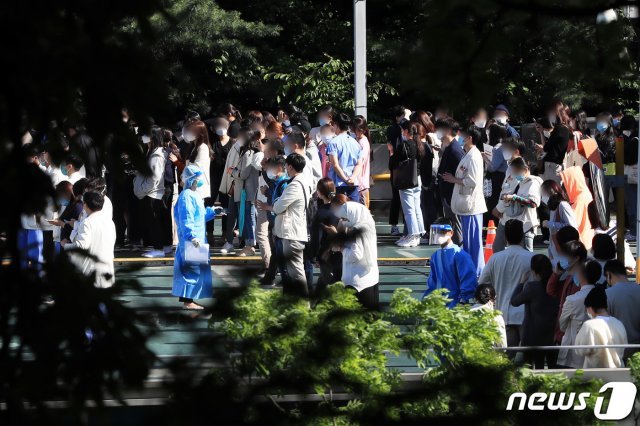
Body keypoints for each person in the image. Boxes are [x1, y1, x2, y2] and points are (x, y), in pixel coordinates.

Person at [172, 165, 223, 310]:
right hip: (192, 240)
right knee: (191, 270)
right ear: (191, 179)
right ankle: (188, 302)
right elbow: (186, 218)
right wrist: (191, 236)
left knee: (196, 270)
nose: (199, 180)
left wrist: (212, 212)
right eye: (197, 177)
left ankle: (190, 300)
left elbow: (199, 216)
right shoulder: (186, 196)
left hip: (198, 239)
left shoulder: (194, 195)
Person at [478, 219, 534, 351]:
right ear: (522, 236)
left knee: (505, 360)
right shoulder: (531, 258)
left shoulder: (495, 258)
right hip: (525, 316)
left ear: (505, 237)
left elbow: (482, 283)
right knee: (527, 361)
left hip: (502, 315)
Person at [261, 153, 310, 297]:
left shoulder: (294, 185)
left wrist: (273, 204)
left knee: (296, 272)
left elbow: (278, 206)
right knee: (293, 271)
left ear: (290, 166)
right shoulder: (303, 181)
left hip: (292, 233)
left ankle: (303, 307)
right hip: (293, 232)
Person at [442, 126, 487, 274]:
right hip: (466, 206)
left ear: (470, 138)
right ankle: (471, 270)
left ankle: (477, 272)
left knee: (474, 243)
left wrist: (453, 179)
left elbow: (473, 181)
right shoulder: (469, 154)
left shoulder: (474, 156)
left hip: (472, 206)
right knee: (469, 243)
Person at [324, 194, 379, 310]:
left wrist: (341, 249)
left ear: (353, 215)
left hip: (357, 281)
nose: (343, 222)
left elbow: (356, 254)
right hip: (371, 276)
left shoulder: (356, 230)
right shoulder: (367, 223)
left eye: (345, 219)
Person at [510, 254, 560, 369]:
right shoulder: (557, 286)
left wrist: (521, 283)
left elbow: (514, 301)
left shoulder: (532, 287)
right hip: (552, 337)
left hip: (532, 338)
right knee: (554, 369)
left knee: (534, 371)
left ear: (534, 271)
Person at [63, 191, 116, 288]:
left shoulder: (87, 222)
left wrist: (65, 245)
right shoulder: (110, 222)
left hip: (92, 272)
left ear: (86, 205)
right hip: (107, 269)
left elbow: (82, 245)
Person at [423, 218, 477, 308]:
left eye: (442, 232)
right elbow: (433, 283)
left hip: (454, 305)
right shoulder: (435, 256)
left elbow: (468, 280)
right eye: (436, 232)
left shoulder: (460, 255)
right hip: (438, 304)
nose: (439, 235)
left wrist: (462, 301)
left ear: (451, 233)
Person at [557, 260, 600, 368]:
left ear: (581, 275)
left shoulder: (572, 299)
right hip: (598, 349)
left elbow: (562, 325)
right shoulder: (605, 295)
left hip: (574, 352)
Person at [133, 128, 167, 258]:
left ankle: (159, 249)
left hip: (152, 193)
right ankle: (156, 247)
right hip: (149, 193)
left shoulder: (156, 155)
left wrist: (142, 189)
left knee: (154, 222)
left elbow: (155, 178)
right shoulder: (151, 152)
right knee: (152, 222)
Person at [575, 287, 628, 368]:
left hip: (596, 374)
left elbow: (580, 350)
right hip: (618, 373)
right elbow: (624, 347)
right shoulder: (618, 323)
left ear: (590, 308)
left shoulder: (589, 325)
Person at [497, 157, 541, 252]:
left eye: (516, 172)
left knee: (527, 258)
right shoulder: (521, 183)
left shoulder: (533, 183)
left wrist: (514, 198)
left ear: (524, 170)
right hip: (517, 225)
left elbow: (533, 203)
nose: (515, 175)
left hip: (526, 227)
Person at [394, 121, 427, 248]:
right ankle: (418, 233)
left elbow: (395, 161)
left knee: (409, 210)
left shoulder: (404, 145)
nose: (402, 133)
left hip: (406, 179)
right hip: (417, 178)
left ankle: (412, 235)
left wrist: (392, 152)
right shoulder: (419, 145)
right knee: (416, 207)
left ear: (407, 131)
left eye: (403, 130)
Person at [311, 178, 342, 298]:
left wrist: (315, 256)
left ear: (319, 192)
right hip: (341, 250)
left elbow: (316, 238)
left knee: (328, 281)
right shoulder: (340, 208)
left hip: (326, 253)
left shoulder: (321, 213)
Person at [604, 260, 640, 360]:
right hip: (638, 347)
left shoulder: (608, 294)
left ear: (608, 274)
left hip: (617, 348)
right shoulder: (638, 289)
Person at [436, 118, 464, 244]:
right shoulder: (449, 148)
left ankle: (458, 251)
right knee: (451, 225)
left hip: (453, 195)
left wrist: (453, 179)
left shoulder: (455, 150)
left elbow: (464, 175)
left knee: (456, 227)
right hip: (448, 195)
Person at [326, 113, 363, 202]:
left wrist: (345, 179)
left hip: (338, 185)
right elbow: (359, 164)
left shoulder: (333, 143)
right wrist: (352, 178)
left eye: (333, 124)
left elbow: (335, 165)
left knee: (339, 213)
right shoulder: (355, 143)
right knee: (354, 211)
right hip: (353, 184)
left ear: (337, 125)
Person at [540, 180, 577, 262]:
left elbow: (572, 226)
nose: (542, 196)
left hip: (565, 250)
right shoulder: (553, 207)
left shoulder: (562, 205)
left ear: (551, 192)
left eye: (543, 192)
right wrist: (550, 249)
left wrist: (550, 224)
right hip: (555, 251)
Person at [218, 130, 243, 254]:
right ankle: (230, 240)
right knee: (232, 213)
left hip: (244, 187)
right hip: (235, 186)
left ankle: (243, 241)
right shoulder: (236, 146)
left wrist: (232, 174)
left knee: (244, 216)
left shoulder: (244, 147)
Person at [560, 166, 594, 250]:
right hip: (586, 239)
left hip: (581, 242)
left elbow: (572, 222)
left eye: (566, 182)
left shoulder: (579, 199)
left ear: (572, 181)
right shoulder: (584, 193)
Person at [386, 106, 407, 235]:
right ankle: (406, 225)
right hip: (403, 165)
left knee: (396, 197)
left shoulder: (390, 129)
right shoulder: (400, 129)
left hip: (394, 165)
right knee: (404, 196)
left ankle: (394, 225)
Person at [471, 284, 508, 348]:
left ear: (475, 298)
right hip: (490, 355)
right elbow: (502, 345)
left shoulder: (466, 314)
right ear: (494, 299)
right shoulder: (496, 317)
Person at [621, 115, 638, 241]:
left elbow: (628, 159)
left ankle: (634, 231)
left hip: (632, 177)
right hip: (634, 176)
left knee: (632, 204)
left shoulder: (633, 140)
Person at [352, 116, 372, 208]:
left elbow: (360, 161)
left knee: (363, 213)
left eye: (359, 130)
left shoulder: (363, 142)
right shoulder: (360, 140)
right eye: (355, 129)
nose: (356, 132)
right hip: (361, 183)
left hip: (361, 183)